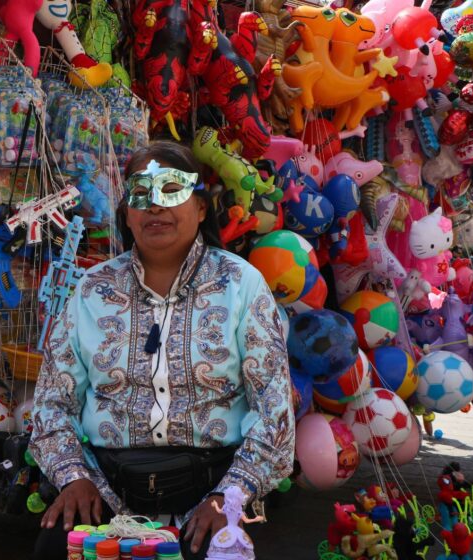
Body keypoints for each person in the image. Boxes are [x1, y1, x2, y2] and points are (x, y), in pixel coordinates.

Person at [29, 142, 295, 559]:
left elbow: (274, 414)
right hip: (104, 490)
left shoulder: (241, 285)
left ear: (202, 208)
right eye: (141, 194)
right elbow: (51, 404)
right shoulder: (91, 290)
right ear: (127, 214)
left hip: (212, 493)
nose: (155, 207)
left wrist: (229, 496)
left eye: (171, 189)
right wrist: (74, 477)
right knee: (56, 547)